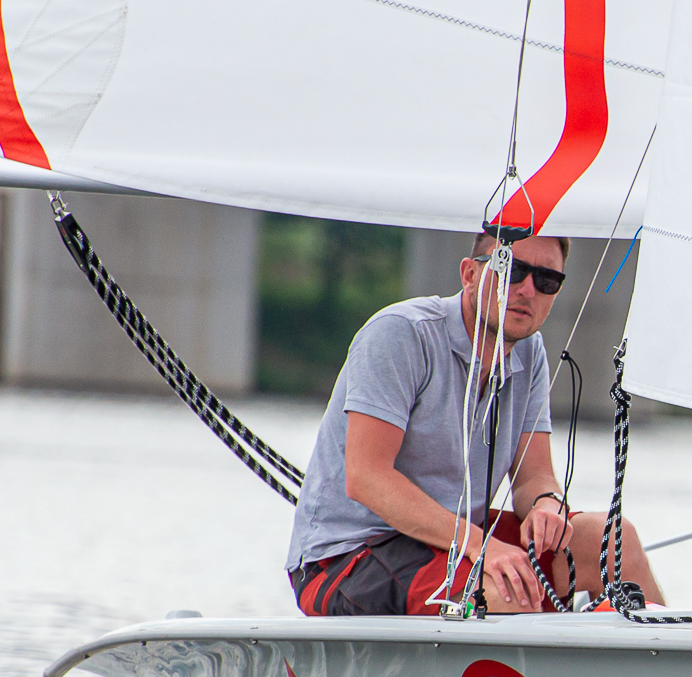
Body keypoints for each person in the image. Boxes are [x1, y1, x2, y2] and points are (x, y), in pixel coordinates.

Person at [283, 230, 664, 616]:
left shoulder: (530, 351)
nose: (528, 290)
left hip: (457, 543)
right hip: (347, 557)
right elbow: (366, 477)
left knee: (615, 540)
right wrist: (482, 546)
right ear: (469, 274)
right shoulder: (400, 333)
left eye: (547, 281)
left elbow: (533, 479)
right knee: (507, 591)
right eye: (511, 270)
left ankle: (659, 665)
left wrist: (547, 504)